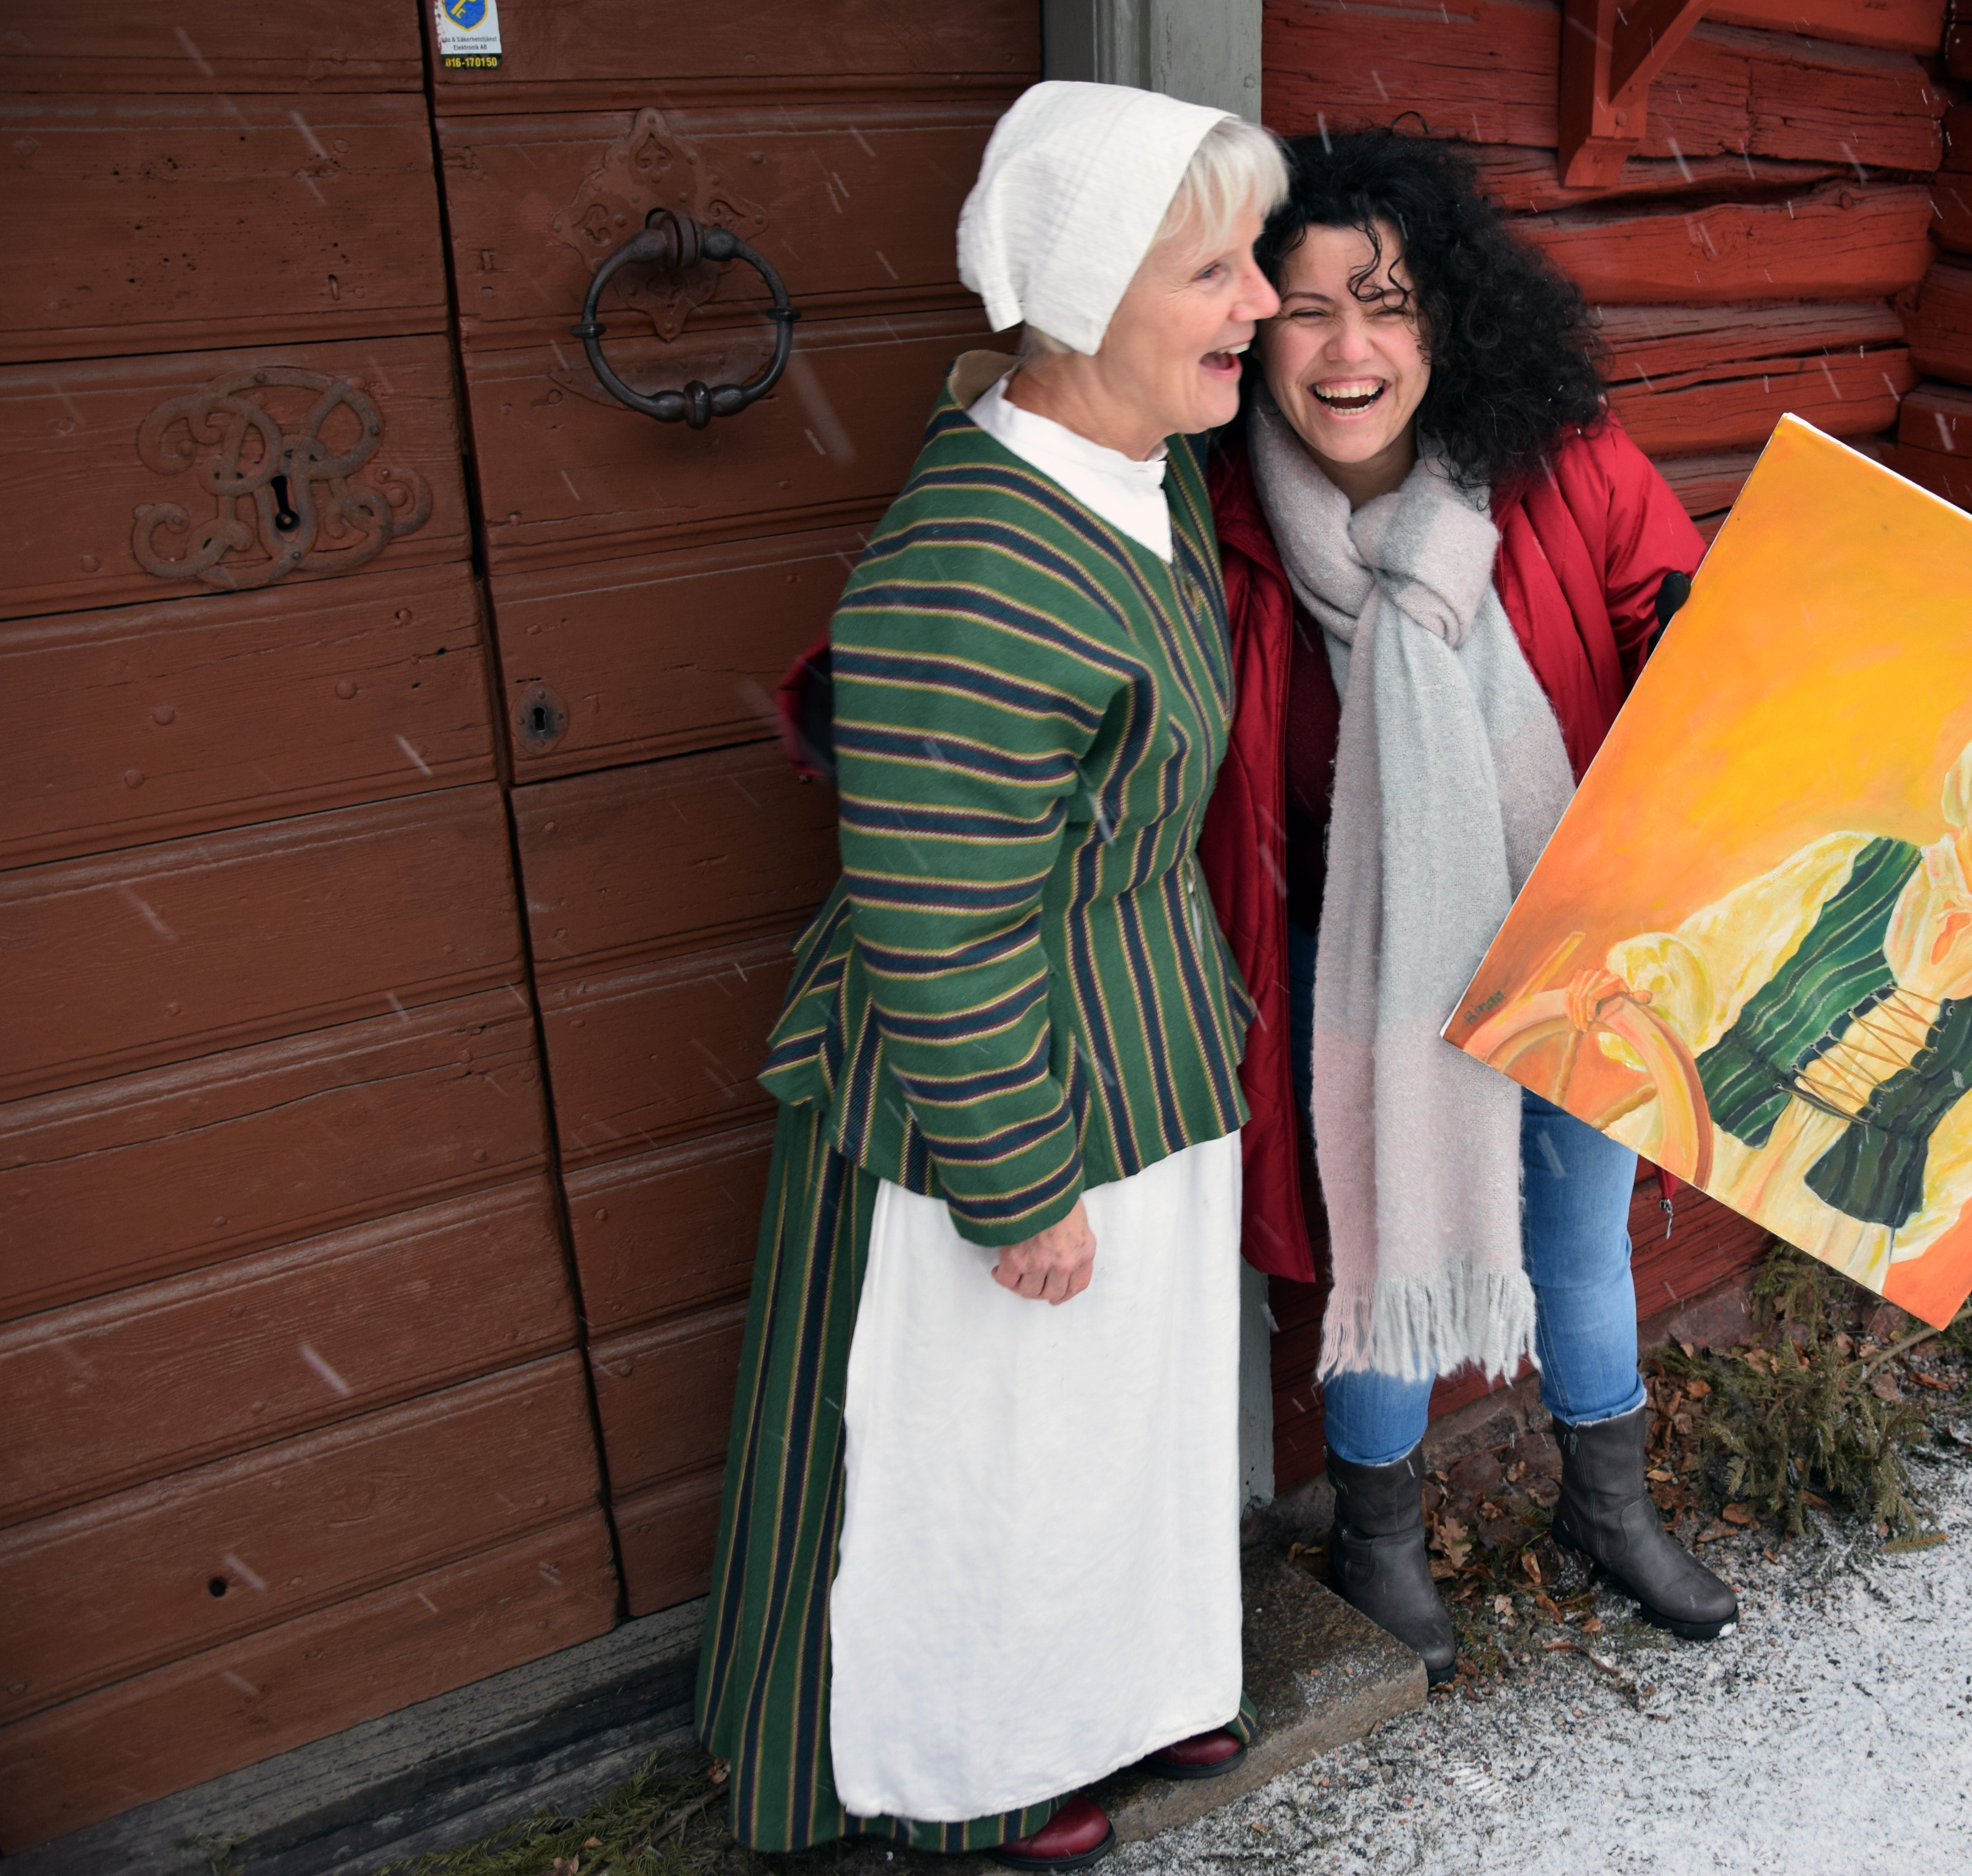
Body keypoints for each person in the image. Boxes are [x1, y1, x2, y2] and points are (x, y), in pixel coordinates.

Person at [696, 83, 1287, 1872]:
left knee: (1126, 1416)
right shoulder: (968, 568)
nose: (1260, 301)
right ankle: (978, 1759)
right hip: (1000, 1089)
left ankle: (1132, 1677)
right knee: (991, 1446)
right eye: (1215, 269)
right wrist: (1016, 1179)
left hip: (1146, 1041)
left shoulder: (1136, 469)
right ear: (1088, 295)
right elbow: (938, 915)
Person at [1196, 127, 1735, 1687]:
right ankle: (1376, 1535)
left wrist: (1713, 638)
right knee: (1385, 1243)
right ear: (1255, 329)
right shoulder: (1219, 512)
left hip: (1570, 921)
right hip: (1347, 946)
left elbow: (1668, 611)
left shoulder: (1558, 456)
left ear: (1445, 319)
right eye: (1308, 309)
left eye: (1387, 302)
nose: (1350, 347)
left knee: (1578, 1229)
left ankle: (1605, 1507)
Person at [1576, 681, 1972, 1291]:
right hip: (1713, 1126)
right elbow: (1711, 961)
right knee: (1602, 1257)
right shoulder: (1852, 862)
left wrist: (1883, 1234)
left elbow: (1971, 1144)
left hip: (1837, 1218)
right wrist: (1638, 999)